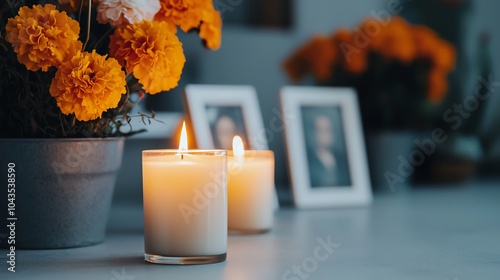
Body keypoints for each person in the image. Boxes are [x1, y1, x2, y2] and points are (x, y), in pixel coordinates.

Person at [306, 114, 351, 187]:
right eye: (320, 130)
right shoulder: (308, 160)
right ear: (313, 133)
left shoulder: (341, 158)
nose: (325, 135)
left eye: (328, 130)